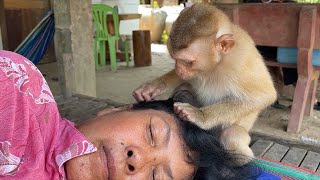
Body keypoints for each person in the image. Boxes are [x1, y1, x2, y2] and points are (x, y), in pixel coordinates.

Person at [0, 50, 279, 179]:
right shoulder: (19, 94)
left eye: (156, 177)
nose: (138, 160)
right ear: (117, 109)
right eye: (151, 132)